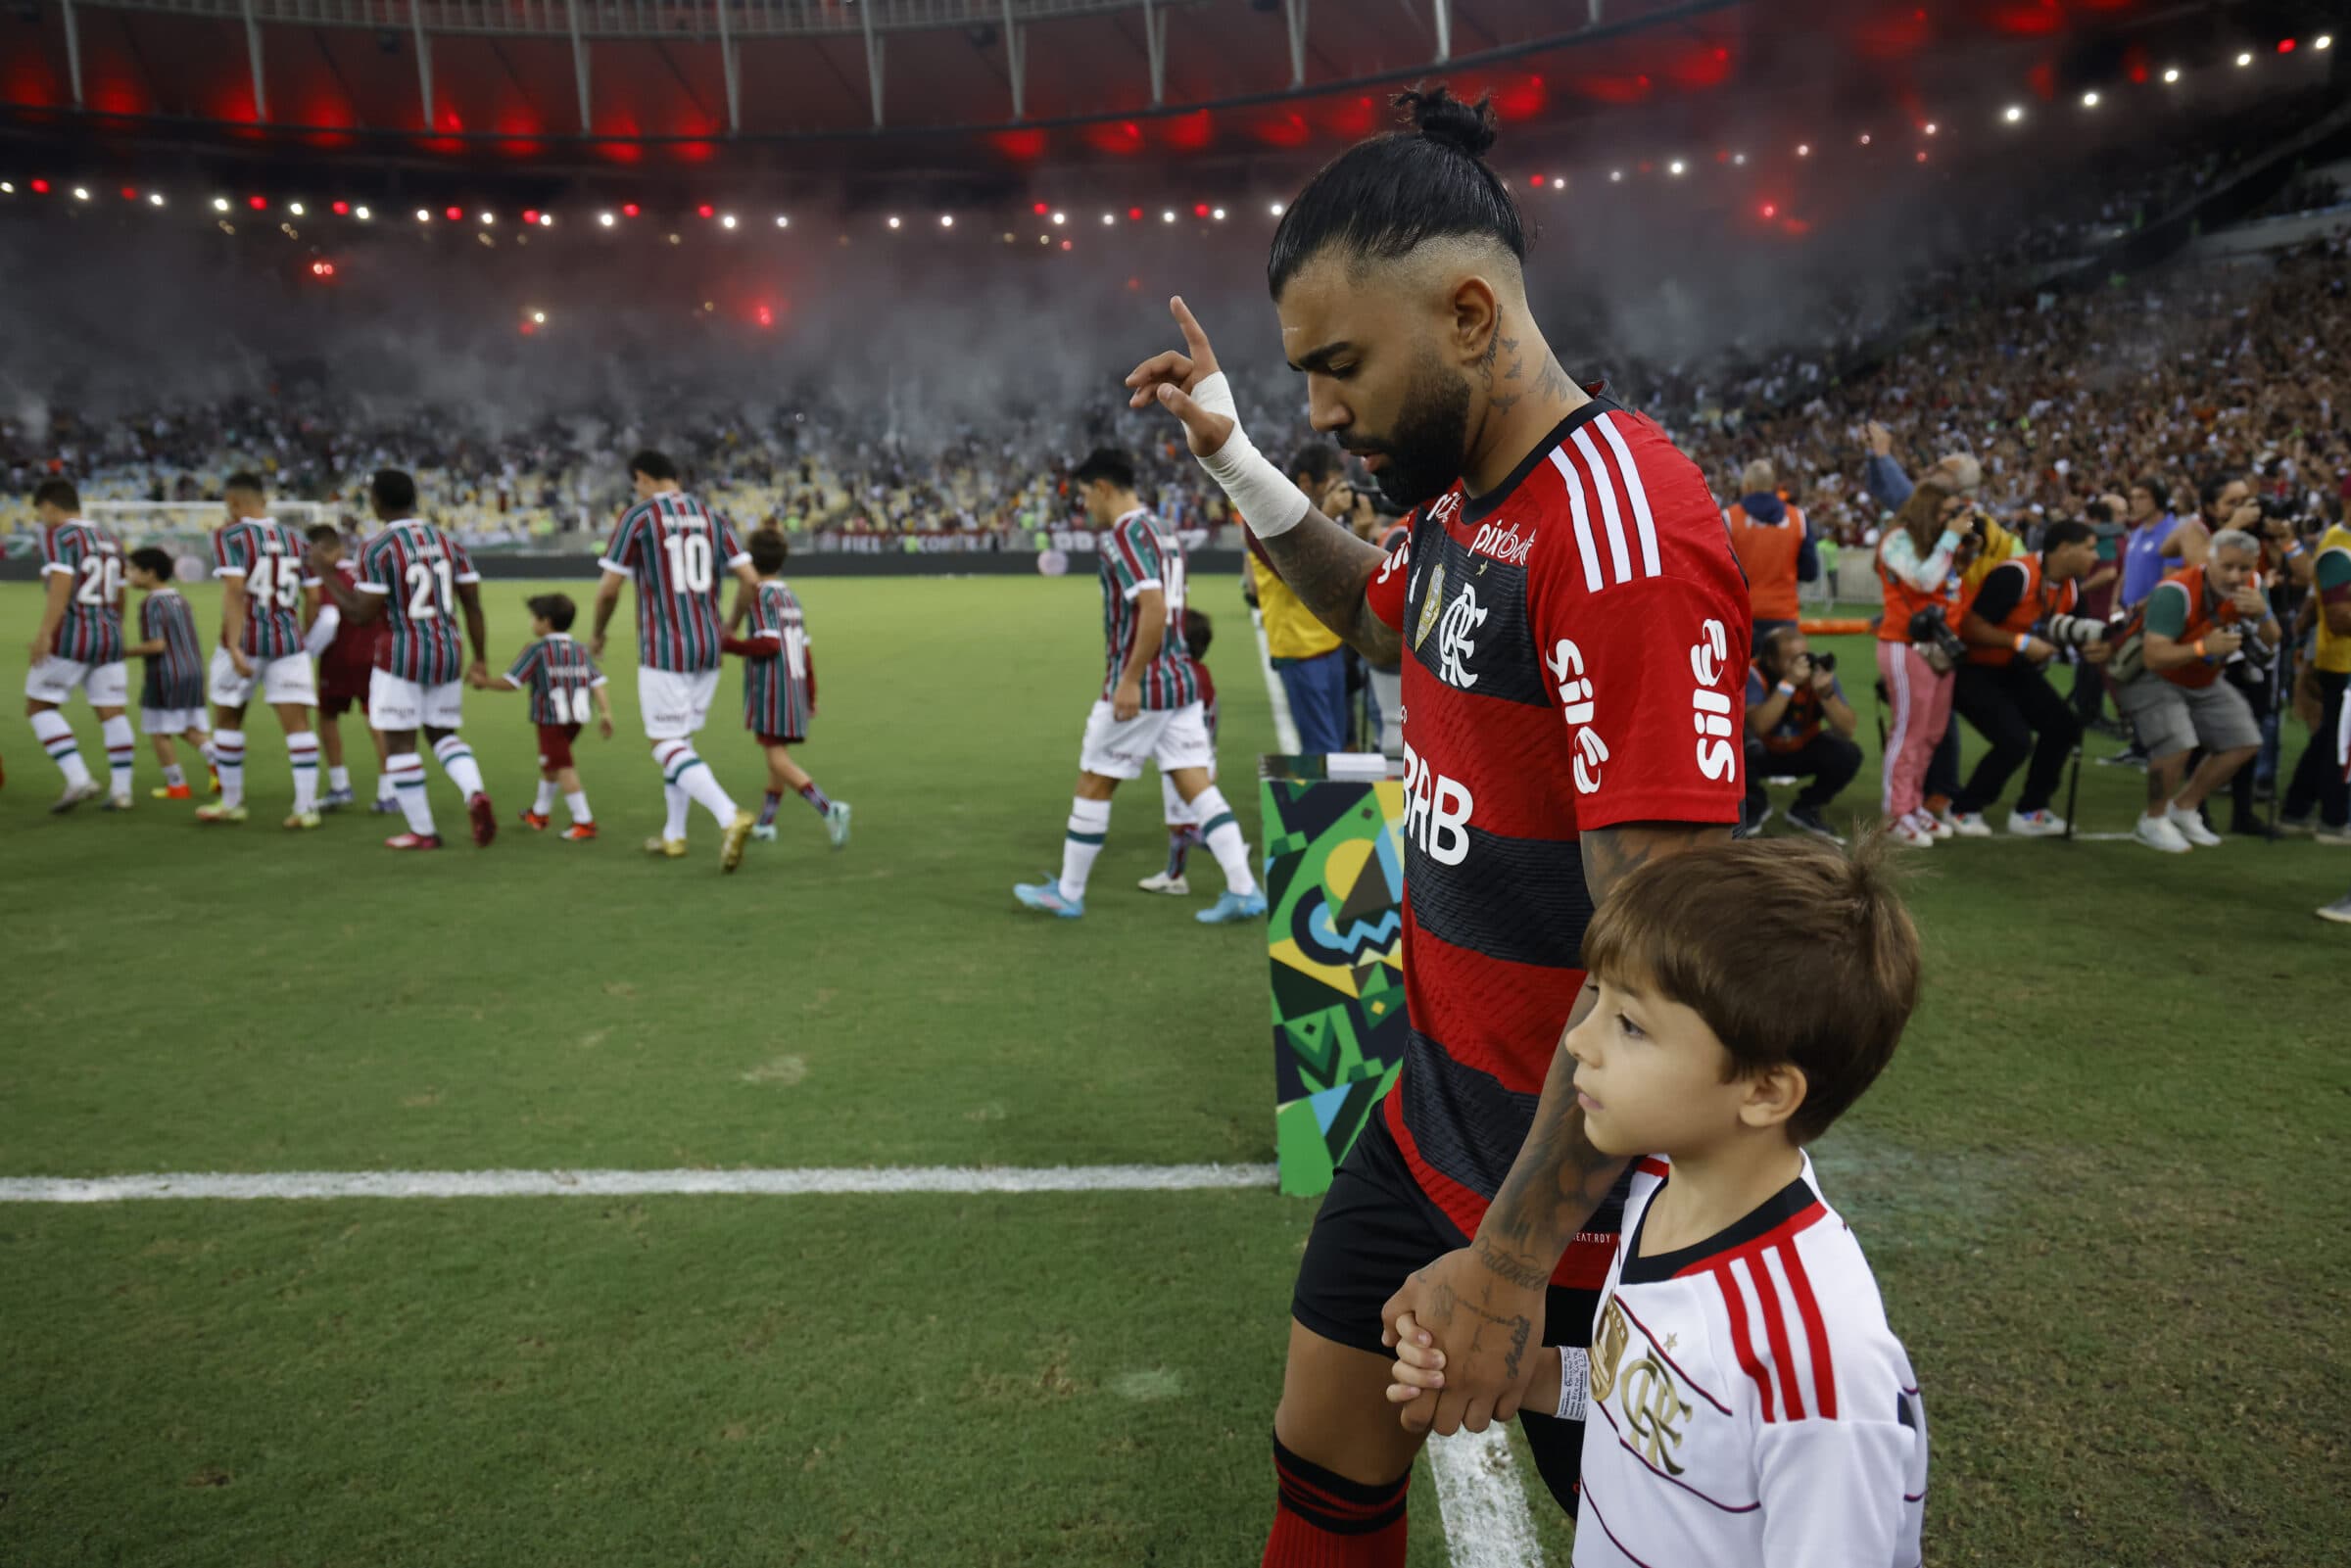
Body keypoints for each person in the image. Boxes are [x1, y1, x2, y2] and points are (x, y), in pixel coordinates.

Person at [1127, 87, 1748, 1560]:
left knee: (1651, 1543)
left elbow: (1666, 960)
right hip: (1429, 1127)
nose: (1321, 408)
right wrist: (1231, 455)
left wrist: (1513, 1260)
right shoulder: (1469, 501)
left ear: (1471, 315)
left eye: (1340, 366)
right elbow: (1384, 609)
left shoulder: (1620, 535)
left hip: (1601, 1198)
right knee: (1323, 1472)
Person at [1384, 836, 1929, 1562]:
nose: (1580, 1039)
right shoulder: (1659, 1187)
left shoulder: (1817, 1366)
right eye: (1597, 999)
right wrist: (1538, 1374)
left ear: (1765, 1090)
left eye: (1630, 1024)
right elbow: (1655, 1392)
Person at [1014, 449, 1263, 924]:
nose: (1085, 505)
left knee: (1094, 780)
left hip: (1142, 685)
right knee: (1197, 786)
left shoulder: (1123, 537)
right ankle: (1244, 888)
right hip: (1179, 678)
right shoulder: (1164, 531)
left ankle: (1069, 892)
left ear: (1104, 488)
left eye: (1086, 495)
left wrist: (1128, 679)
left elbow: (1151, 607)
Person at [589, 449, 758, 870]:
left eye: (636, 483)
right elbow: (751, 581)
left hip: (666, 648)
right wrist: (731, 624)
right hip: (709, 645)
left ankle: (728, 814)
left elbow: (609, 589)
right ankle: (674, 835)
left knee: (664, 743)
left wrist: (598, 632)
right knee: (681, 741)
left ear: (644, 477)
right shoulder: (712, 516)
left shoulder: (639, 518)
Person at [313, 469, 496, 851]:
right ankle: (475, 792)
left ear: (378, 501)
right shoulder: (449, 543)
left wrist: (326, 575)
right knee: (443, 734)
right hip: (448, 649)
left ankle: (423, 832)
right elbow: (473, 605)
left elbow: (361, 613)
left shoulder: (377, 548)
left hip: (402, 652)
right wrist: (479, 659)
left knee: (400, 743)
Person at [2114, 529, 2281, 853]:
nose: (2236, 576)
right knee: (2178, 743)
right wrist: (2204, 647)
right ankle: (2152, 818)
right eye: (2228, 566)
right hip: (2152, 676)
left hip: (2202, 676)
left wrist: (2264, 614)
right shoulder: (2175, 592)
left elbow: (2272, 640)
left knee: (2245, 741)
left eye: (2244, 569)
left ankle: (2185, 806)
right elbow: (2154, 655)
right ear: (2209, 560)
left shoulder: (2255, 587)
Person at [1948, 518, 2108, 836]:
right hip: (1974, 668)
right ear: (2063, 549)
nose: (2096, 558)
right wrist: (2020, 642)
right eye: (2089, 549)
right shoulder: (2015, 575)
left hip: (2016, 669)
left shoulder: (2072, 587)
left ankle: (2032, 809)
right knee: (2015, 740)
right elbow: (1971, 627)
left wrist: (2096, 648)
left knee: (2064, 726)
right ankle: (1966, 808)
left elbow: (2077, 633)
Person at [197, 472, 324, 831]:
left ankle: (232, 802)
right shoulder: (296, 540)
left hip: (246, 640)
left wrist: (235, 645)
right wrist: (302, 636)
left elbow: (235, 590)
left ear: (234, 503)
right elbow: (313, 596)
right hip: (288, 642)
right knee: (298, 725)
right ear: (264, 501)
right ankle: (306, 807)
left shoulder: (229, 535)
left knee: (228, 719)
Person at [718, 527, 851, 849]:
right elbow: (803, 649)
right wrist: (811, 694)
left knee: (777, 757)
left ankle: (827, 808)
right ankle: (766, 822)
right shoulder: (790, 596)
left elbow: (768, 644)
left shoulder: (762, 595)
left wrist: (729, 645)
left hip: (771, 687)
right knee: (775, 754)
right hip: (793, 682)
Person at [23, 479, 129, 813]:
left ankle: (78, 778)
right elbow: (122, 591)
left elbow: (62, 584)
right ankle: (123, 791)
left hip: (72, 635)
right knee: (112, 713)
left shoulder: (61, 535)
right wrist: (116, 626)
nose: (42, 519)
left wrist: (44, 632)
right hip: (109, 635)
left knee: (39, 706)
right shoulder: (111, 539)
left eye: (42, 512)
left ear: (51, 506)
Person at [1874, 487, 1971, 849]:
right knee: (1909, 732)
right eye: (1947, 512)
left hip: (1939, 648)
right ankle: (1896, 813)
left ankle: (1912, 805)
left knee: (1931, 732)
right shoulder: (1897, 540)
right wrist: (1950, 539)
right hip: (1905, 644)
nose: (1953, 519)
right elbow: (1923, 580)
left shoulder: (1943, 544)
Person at [475, 593, 611, 840]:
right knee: (551, 762)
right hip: (577, 718)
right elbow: (598, 682)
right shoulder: (579, 649)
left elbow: (512, 682)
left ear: (545, 622)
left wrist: (483, 682)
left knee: (562, 766)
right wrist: (605, 712)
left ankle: (584, 821)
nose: (531, 623)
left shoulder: (537, 650)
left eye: (533, 618)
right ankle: (540, 812)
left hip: (551, 719)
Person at [1251, 446, 1353, 754]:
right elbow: (1295, 566)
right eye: (1332, 486)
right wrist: (1330, 515)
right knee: (1323, 751)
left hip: (1332, 647)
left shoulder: (1323, 518)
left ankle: (1335, 802)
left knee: (1341, 744)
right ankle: (1326, 804)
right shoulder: (1263, 513)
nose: (1337, 494)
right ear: (1306, 482)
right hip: (1298, 652)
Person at [1744, 628, 1860, 842]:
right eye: (1791, 659)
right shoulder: (1753, 673)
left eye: (1804, 655)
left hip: (1800, 749)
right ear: (1769, 659)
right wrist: (1788, 684)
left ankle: (1806, 808)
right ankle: (1754, 804)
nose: (1802, 664)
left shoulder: (1817, 675)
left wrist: (1825, 691)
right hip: (1760, 753)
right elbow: (1758, 725)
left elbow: (1847, 729)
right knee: (1740, 747)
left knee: (1848, 753)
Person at [306, 523, 388, 812]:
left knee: (328, 716)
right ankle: (387, 791)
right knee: (377, 720)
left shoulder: (329, 577)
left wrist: (307, 652)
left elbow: (328, 618)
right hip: (374, 657)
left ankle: (340, 786)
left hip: (339, 658)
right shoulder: (364, 570)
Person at [122, 547, 215, 800]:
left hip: (166, 673)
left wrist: (122, 652)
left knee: (159, 730)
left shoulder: (151, 603)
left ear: (149, 573)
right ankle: (218, 762)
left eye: (131, 569)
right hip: (193, 670)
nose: (127, 574)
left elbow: (157, 645)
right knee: (187, 726)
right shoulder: (179, 599)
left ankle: (177, 786)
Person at [2281, 511, 2351, 841]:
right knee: (2343, 743)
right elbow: (2338, 618)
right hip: (2342, 661)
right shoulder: (2338, 549)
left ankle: (2296, 809)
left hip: (2340, 659)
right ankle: (2334, 819)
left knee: (2328, 738)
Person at [1141, 607, 1219, 896]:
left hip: (1187, 760)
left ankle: (1229, 848)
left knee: (1182, 826)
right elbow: (1214, 714)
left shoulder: (1182, 677)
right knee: (1181, 823)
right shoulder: (1202, 674)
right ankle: (1174, 875)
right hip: (1197, 756)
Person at [1724, 458, 1816, 645]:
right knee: (1786, 674)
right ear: (1773, 486)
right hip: (1784, 614)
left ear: (1747, 486)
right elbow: (1810, 572)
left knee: (1745, 674)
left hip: (1742, 616)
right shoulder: (1798, 518)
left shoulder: (1729, 518)